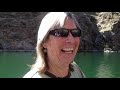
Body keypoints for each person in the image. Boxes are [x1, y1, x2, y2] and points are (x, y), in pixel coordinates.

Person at [23, 12, 85, 78]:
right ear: (44, 41)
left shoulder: (75, 69)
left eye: (75, 32)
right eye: (61, 32)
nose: (71, 40)